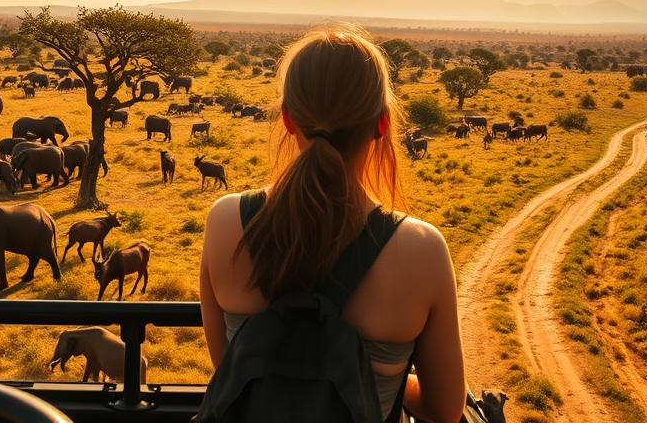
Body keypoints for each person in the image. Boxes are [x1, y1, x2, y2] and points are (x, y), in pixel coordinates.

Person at [200, 25, 466, 423]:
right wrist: (394, 377)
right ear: (382, 123)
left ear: (288, 119)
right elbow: (444, 410)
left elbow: (230, 370)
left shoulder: (225, 221)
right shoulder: (422, 249)